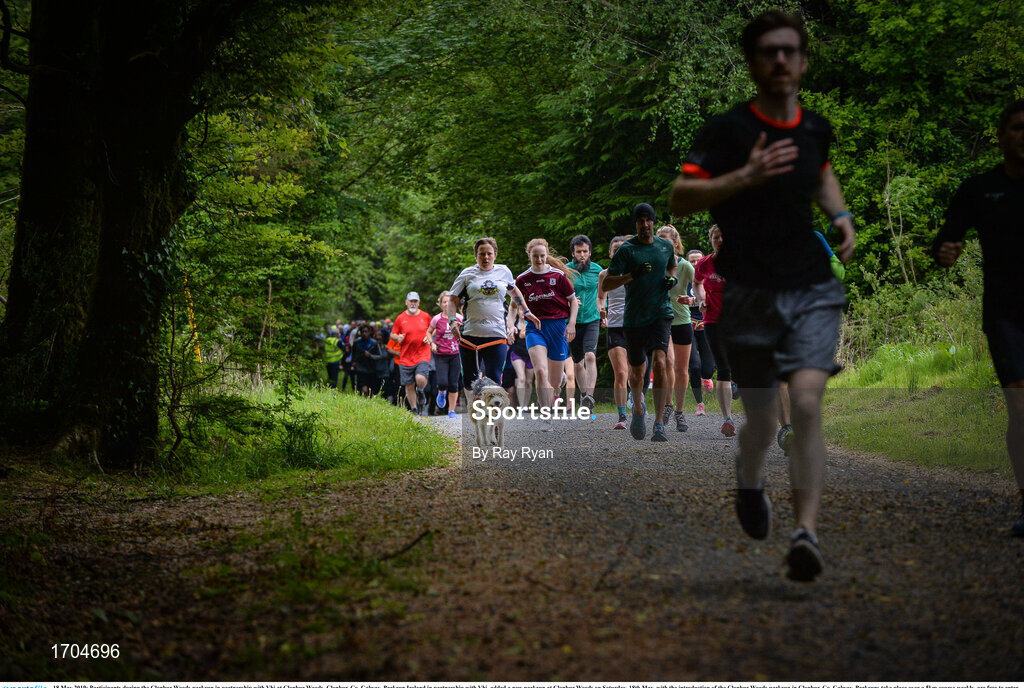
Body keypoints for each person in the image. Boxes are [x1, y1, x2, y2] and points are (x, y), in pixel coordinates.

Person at [668, 10, 855, 582]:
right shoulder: (728, 132)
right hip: (747, 290)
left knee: (803, 405)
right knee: (761, 424)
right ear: (753, 63)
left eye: (790, 51)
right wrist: (742, 178)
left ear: (801, 61)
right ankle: (749, 481)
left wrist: (840, 213)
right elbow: (680, 197)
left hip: (811, 286)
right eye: (768, 52)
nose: (780, 60)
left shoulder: (815, 126)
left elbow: (820, 171)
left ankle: (806, 533)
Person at [934, 99, 1024, 536]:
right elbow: (946, 238)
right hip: (1006, 312)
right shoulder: (979, 188)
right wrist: (946, 251)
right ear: (1002, 135)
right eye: (1019, 127)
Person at [604, 203, 678, 442]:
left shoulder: (665, 246)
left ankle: (658, 424)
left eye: (649, 220)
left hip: (661, 312)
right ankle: (637, 407)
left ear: (654, 222)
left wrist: (671, 280)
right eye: (640, 221)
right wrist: (631, 276)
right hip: (635, 317)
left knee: (660, 361)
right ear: (635, 224)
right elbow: (606, 284)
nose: (645, 225)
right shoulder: (626, 250)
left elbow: (672, 267)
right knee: (637, 371)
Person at [448, 238, 539, 394]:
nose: (486, 257)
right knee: (470, 382)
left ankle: (492, 415)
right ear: (476, 255)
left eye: (489, 253)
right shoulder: (467, 274)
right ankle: (477, 411)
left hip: (496, 333)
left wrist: (526, 311)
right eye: (481, 254)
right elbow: (452, 300)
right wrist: (452, 321)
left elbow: (514, 292)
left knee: (494, 379)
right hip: (470, 335)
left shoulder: (503, 272)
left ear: (495, 254)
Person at [515, 238, 579, 429]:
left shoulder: (558, 276)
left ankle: (556, 388)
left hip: (558, 326)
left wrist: (572, 324)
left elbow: (573, 301)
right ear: (529, 256)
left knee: (555, 380)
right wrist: (515, 321)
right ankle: (545, 413)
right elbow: (515, 302)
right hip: (536, 328)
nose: (540, 260)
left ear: (546, 255)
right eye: (536, 256)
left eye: (543, 256)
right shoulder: (523, 279)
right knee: (540, 371)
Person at [693, 226, 735, 437]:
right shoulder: (705, 263)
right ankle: (727, 419)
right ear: (711, 240)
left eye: (723, 236)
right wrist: (700, 299)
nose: (719, 240)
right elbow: (697, 281)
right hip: (712, 320)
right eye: (715, 237)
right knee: (723, 367)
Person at [657, 225, 697, 432]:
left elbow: (702, 288)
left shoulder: (685, 267)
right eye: (659, 240)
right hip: (661, 321)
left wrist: (692, 299)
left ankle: (680, 412)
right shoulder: (653, 264)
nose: (663, 244)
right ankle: (667, 406)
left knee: (681, 369)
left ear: (675, 243)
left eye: (667, 240)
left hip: (682, 321)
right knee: (667, 363)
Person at [598, 236, 631, 429]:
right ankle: (622, 417)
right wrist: (602, 311)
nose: (618, 252)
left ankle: (636, 401)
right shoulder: (605, 274)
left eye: (622, 249)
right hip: (615, 325)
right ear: (610, 253)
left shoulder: (635, 273)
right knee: (620, 372)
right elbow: (601, 298)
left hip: (636, 326)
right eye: (615, 249)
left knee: (636, 373)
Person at [567, 235, 603, 410]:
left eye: (585, 251)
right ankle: (583, 395)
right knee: (577, 362)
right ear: (573, 253)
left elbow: (604, 293)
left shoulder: (598, 270)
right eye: (579, 252)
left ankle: (589, 396)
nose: (582, 255)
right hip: (572, 322)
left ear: (590, 252)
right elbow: (559, 295)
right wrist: (569, 303)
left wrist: (604, 312)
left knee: (590, 356)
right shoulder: (565, 271)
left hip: (592, 318)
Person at [390, 292, 433, 415]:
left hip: (422, 354)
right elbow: (392, 334)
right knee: (409, 385)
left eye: (415, 301)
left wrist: (429, 337)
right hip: (406, 356)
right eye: (411, 301)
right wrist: (397, 337)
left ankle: (421, 390)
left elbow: (433, 329)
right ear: (406, 302)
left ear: (418, 303)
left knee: (419, 378)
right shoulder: (400, 318)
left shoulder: (425, 316)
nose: (413, 303)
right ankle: (414, 409)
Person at [686, 248, 715, 417]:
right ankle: (700, 404)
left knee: (707, 369)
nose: (695, 264)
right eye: (692, 261)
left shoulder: (709, 280)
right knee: (694, 366)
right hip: (688, 326)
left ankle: (707, 377)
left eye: (698, 260)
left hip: (705, 327)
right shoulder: (684, 280)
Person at [427, 291, 463, 419]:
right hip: (441, 354)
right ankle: (441, 393)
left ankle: (451, 410)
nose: (447, 304)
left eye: (449, 302)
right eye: (444, 302)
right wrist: (432, 343)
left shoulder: (459, 318)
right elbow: (429, 332)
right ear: (441, 304)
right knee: (442, 382)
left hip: (456, 354)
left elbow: (465, 333)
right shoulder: (437, 319)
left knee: (454, 383)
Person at [353, 324, 385, 397]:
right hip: (361, 369)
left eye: (366, 331)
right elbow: (354, 355)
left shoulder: (374, 343)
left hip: (372, 369)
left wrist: (370, 356)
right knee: (364, 389)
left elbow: (380, 356)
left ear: (369, 332)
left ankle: (369, 402)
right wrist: (354, 363)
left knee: (371, 389)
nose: (364, 333)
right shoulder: (357, 343)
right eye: (363, 332)